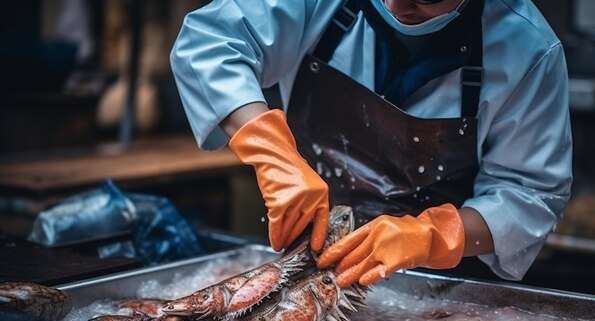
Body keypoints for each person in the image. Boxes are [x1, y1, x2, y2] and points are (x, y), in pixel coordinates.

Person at [170, 0, 572, 287]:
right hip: (304, 272)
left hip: (442, 300)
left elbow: (528, 197)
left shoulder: (529, 50)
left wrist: (434, 236)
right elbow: (211, 43)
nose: (399, 6)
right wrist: (272, 155)